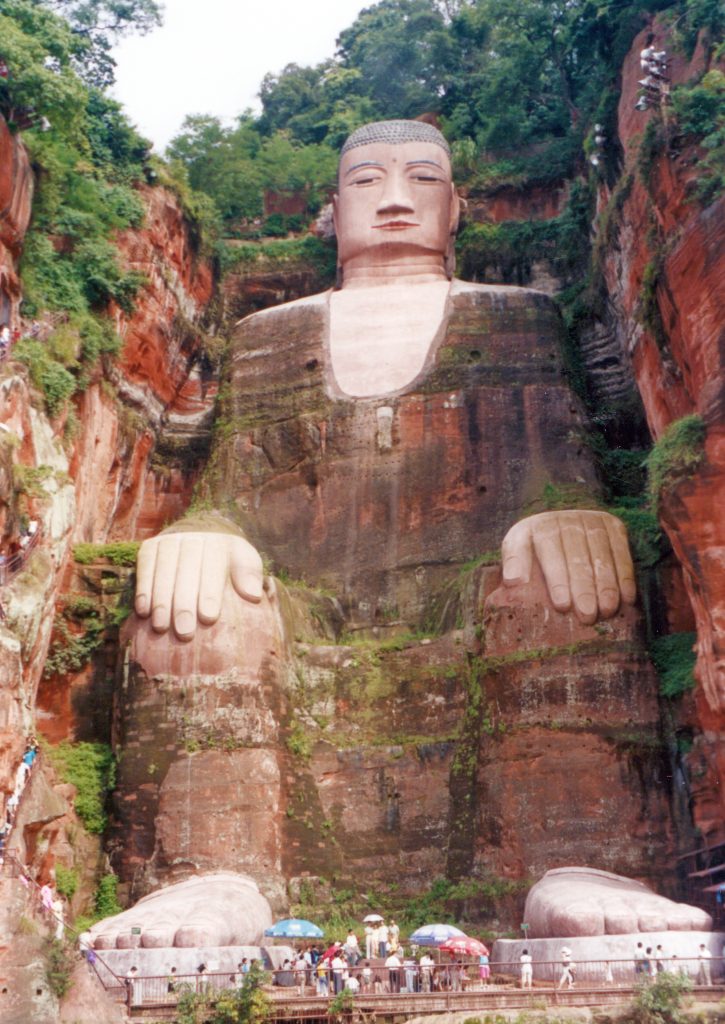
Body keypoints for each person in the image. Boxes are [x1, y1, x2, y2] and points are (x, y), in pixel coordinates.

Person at [104, 118, 639, 946]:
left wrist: (570, 507)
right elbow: (229, 493)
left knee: (565, 572)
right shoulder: (265, 337)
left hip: (471, 600)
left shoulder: (518, 316)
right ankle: (212, 874)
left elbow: (562, 460)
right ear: (332, 211)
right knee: (193, 605)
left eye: (422, 180)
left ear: (456, 207)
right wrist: (204, 531)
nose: (394, 199)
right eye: (367, 182)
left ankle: (576, 859)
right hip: (305, 612)